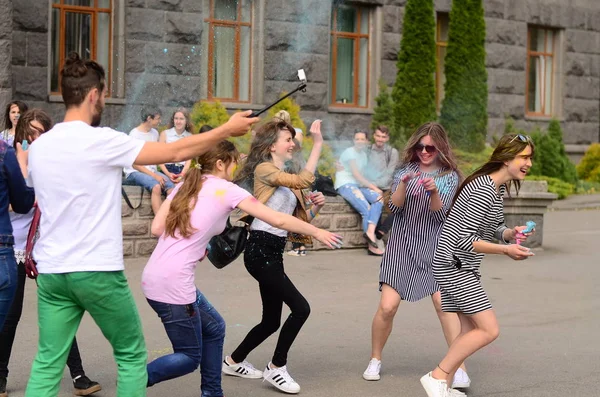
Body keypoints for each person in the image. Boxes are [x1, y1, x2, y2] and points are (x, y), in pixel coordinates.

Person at [23, 51, 258, 397]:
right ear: (93, 96)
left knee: (46, 364)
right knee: (132, 357)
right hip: (96, 271)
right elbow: (176, 154)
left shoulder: (39, 148)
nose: (102, 100)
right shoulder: (101, 140)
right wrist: (226, 129)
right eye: (102, 95)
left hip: (52, 274)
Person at [142, 140, 341, 397]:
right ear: (220, 163)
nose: (237, 166)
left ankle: (213, 392)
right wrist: (316, 231)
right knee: (190, 357)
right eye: (234, 161)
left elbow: (157, 228)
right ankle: (134, 378)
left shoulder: (184, 185)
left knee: (215, 329)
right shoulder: (227, 190)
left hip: (154, 277)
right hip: (173, 285)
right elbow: (277, 218)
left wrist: (195, 241)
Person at [420, 134, 536, 397]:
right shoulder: (483, 189)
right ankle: (436, 376)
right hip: (454, 264)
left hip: (458, 264)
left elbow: (494, 227)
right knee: (488, 329)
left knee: (470, 330)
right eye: (524, 157)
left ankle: (443, 385)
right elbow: (465, 239)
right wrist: (506, 250)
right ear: (507, 158)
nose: (529, 162)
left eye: (530, 157)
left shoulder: (497, 188)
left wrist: (510, 233)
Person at [223, 119, 333, 394]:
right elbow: (305, 179)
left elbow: (292, 221)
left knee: (271, 320)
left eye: (293, 139)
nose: (293, 143)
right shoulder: (265, 169)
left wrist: (315, 208)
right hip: (259, 250)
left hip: (274, 251)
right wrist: (318, 143)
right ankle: (276, 368)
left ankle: (233, 361)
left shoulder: (283, 177)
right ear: (273, 145)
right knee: (301, 308)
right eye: (288, 139)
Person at [0, 109, 101, 397]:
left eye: (42, 133)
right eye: (31, 132)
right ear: (22, 135)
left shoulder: (53, 164)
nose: (36, 138)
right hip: (15, 246)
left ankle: (79, 375)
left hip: (45, 246)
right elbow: (11, 203)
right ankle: (0, 377)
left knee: (59, 312)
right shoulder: (10, 159)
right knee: (10, 315)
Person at [363, 123, 467, 389]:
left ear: (440, 147)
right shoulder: (404, 170)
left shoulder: (450, 176)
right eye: (420, 146)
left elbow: (439, 216)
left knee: (445, 305)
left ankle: (459, 367)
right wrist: (403, 187)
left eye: (430, 147)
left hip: (435, 246)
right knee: (387, 306)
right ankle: (375, 359)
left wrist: (433, 192)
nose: (424, 151)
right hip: (402, 244)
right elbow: (394, 208)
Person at [335, 130, 384, 256]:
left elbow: (361, 176)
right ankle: (371, 246)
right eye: (357, 139)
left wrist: (373, 187)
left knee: (378, 198)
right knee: (366, 209)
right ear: (353, 140)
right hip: (346, 184)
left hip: (358, 185)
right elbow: (356, 174)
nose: (360, 141)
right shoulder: (350, 152)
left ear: (367, 141)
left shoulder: (363, 155)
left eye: (362, 139)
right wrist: (373, 186)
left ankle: (370, 232)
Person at [123, 107, 175, 215]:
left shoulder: (154, 133)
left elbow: (157, 156)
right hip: (134, 172)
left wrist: (168, 174)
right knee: (156, 186)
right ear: (149, 119)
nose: (159, 121)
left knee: (170, 186)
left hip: (151, 171)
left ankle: (171, 220)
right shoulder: (134, 135)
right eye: (157, 118)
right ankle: (160, 223)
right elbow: (134, 164)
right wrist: (154, 176)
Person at [366, 126, 399, 241]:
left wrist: (375, 184)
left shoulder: (392, 152)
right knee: (377, 206)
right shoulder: (367, 150)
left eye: (383, 137)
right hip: (370, 188)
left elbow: (389, 173)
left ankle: (382, 230)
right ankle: (376, 237)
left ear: (387, 138)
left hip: (387, 188)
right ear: (374, 136)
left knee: (400, 207)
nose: (380, 139)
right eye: (378, 136)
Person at [159, 108, 193, 183]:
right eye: (176, 118)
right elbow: (159, 158)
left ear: (186, 121)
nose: (178, 121)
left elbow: (188, 160)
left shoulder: (190, 136)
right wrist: (168, 174)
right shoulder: (165, 134)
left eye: (181, 119)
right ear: (173, 120)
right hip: (167, 170)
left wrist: (182, 174)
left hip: (182, 170)